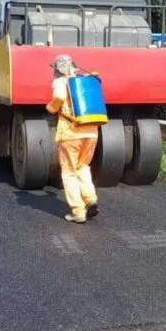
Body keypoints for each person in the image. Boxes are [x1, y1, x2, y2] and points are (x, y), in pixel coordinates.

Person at [45, 54, 99, 223]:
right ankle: (90, 198)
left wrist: (51, 108)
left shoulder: (61, 82)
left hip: (70, 133)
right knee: (83, 166)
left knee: (68, 172)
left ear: (57, 69)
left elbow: (60, 97)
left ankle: (78, 212)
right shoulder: (84, 80)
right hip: (91, 131)